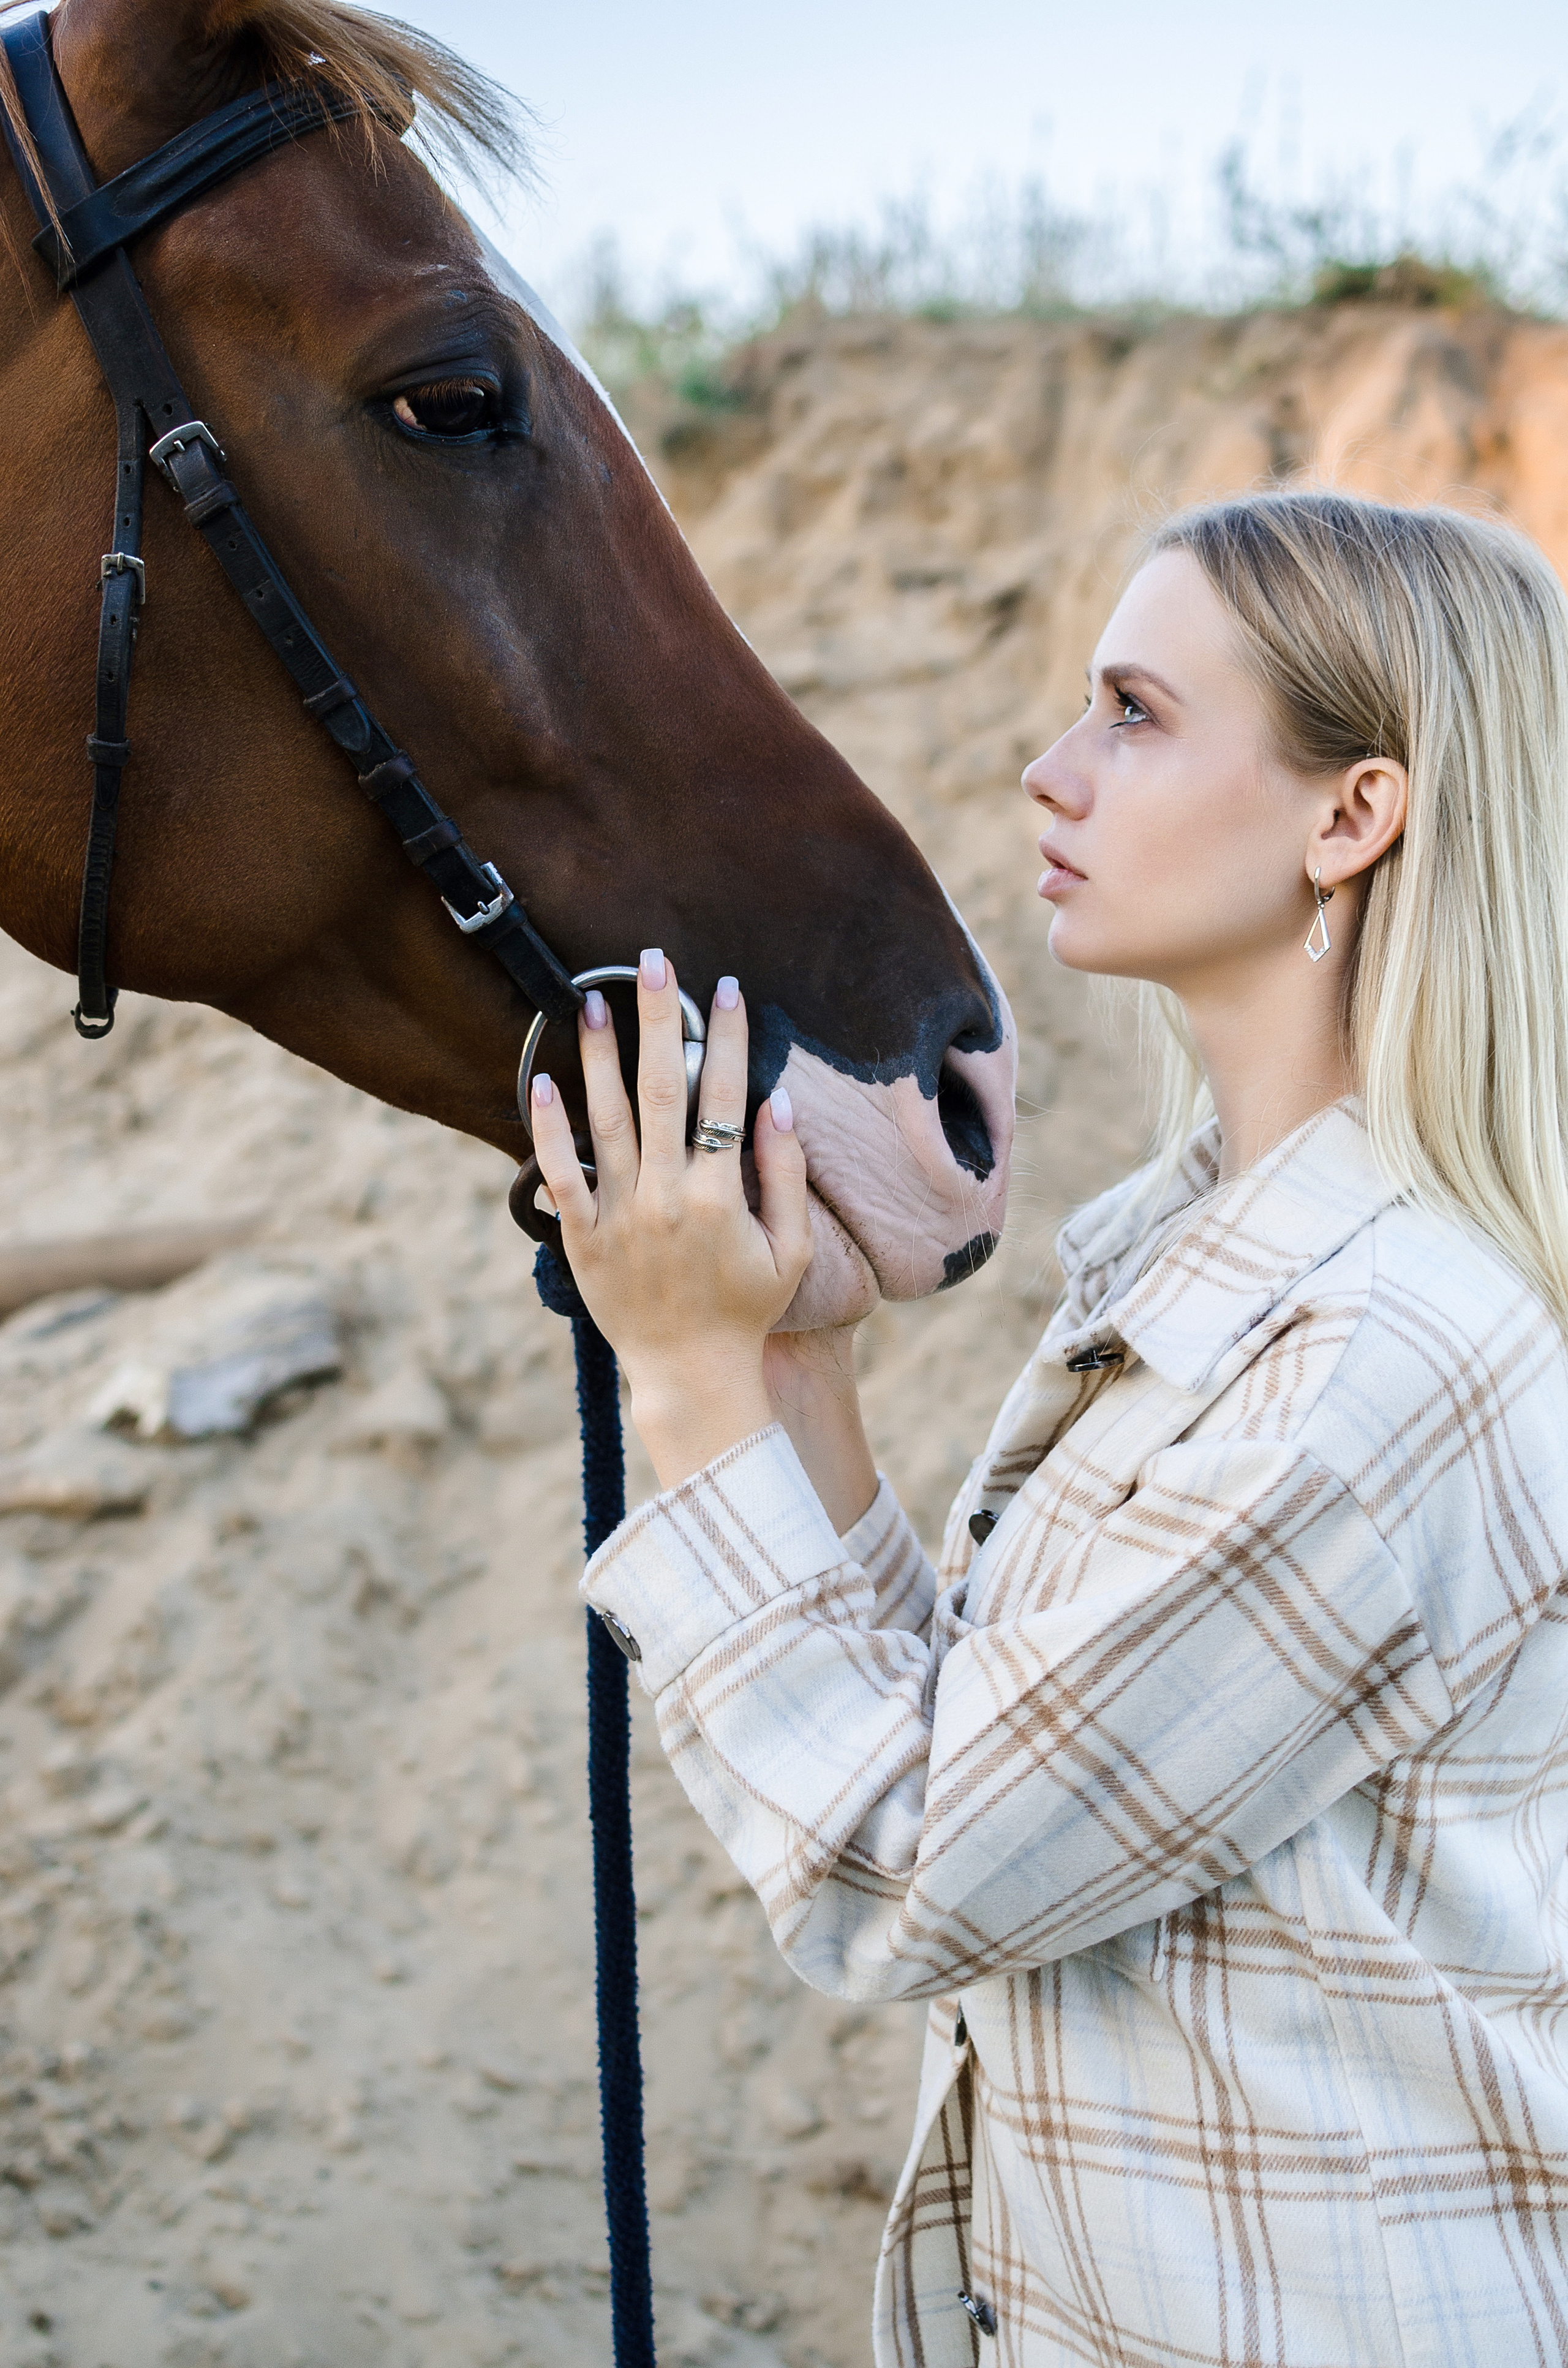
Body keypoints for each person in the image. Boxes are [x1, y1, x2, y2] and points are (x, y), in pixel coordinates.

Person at [528, 490, 1568, 2366]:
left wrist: (682, 1378)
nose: (1048, 769)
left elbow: (910, 1868)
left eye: (1136, 713)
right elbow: (990, 1745)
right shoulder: (1209, 1247)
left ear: (1354, 814)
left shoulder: (1377, 1364)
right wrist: (797, 1370)